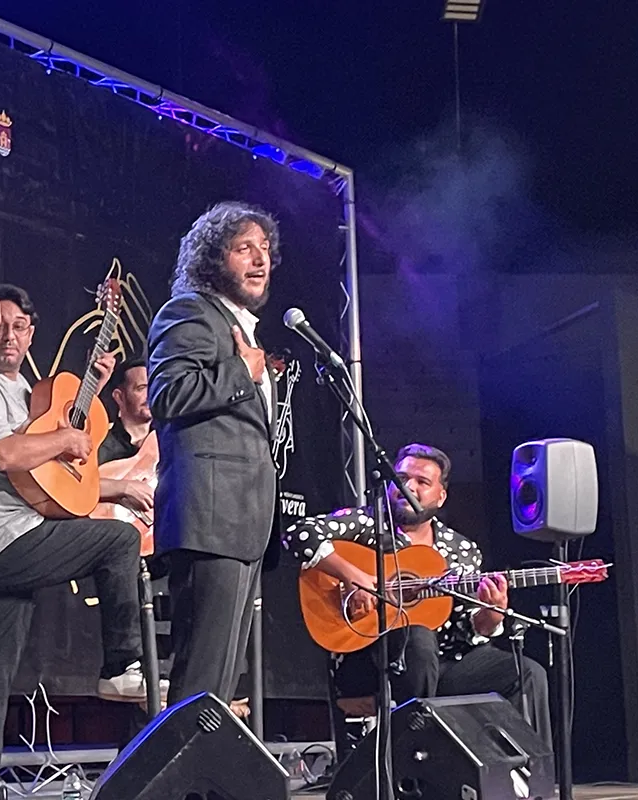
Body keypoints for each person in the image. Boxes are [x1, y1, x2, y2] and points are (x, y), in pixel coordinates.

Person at [0, 284, 149, 766]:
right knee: (119, 541)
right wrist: (63, 438)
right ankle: (121, 665)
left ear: (32, 333)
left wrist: (92, 392)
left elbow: (49, 481)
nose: (9, 338)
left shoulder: (28, 391)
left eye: (19, 327)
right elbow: (4, 454)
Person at [285, 444, 551, 740]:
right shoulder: (366, 523)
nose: (407, 486)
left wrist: (490, 616)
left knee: (528, 673)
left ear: (441, 495)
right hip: (373, 660)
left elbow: (468, 628)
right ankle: (420, 755)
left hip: (446, 664)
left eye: (422, 482)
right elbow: (300, 533)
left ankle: (530, 776)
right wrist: (353, 576)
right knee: (419, 637)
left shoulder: (461, 550)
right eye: (400, 478)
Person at [147, 202, 281, 708]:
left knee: (218, 690)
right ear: (211, 257)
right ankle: (171, 787)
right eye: (244, 248)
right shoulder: (189, 312)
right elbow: (170, 395)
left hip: (242, 522)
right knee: (200, 683)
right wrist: (242, 373)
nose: (259, 259)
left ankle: (200, 785)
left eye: (264, 249)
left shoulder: (241, 327)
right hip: (210, 518)